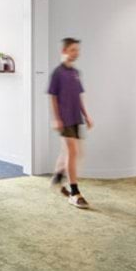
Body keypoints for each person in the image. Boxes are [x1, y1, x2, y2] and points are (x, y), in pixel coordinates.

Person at [47, 38, 93, 208]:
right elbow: (52, 96)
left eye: (77, 50)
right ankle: (75, 192)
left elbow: (78, 96)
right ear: (64, 51)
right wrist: (56, 118)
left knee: (74, 152)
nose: (76, 53)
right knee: (72, 152)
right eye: (73, 50)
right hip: (64, 119)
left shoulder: (75, 73)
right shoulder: (57, 73)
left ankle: (58, 176)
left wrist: (86, 115)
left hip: (75, 118)